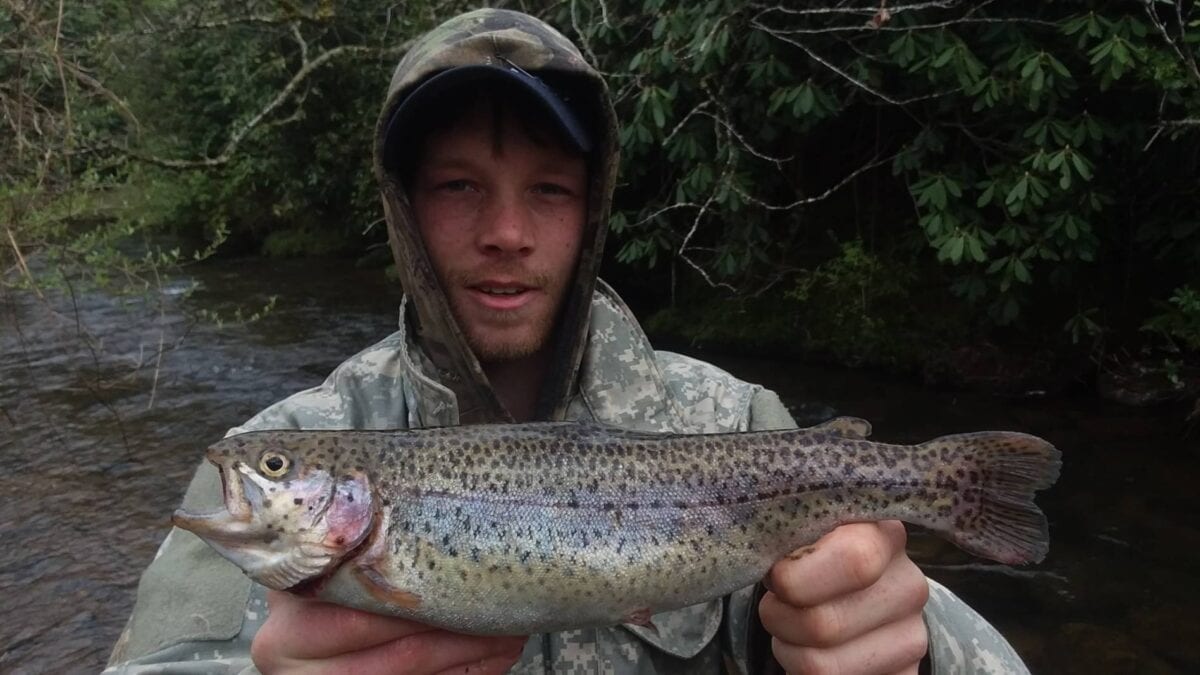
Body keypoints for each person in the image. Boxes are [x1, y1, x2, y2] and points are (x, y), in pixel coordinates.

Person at [106, 9, 1032, 675]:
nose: (506, 231)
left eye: (549, 189)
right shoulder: (284, 438)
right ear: (402, 210)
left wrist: (914, 655)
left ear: (592, 213)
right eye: (459, 186)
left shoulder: (740, 421)